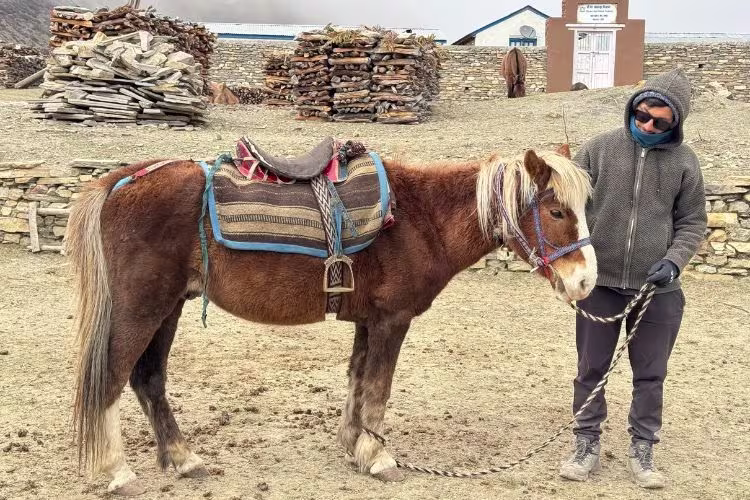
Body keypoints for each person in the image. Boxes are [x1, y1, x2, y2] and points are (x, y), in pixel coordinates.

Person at [559, 68, 708, 489]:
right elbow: (567, 208)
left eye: (660, 123)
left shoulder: (685, 162)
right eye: (642, 115)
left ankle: (643, 447)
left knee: (650, 372)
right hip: (600, 284)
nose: (646, 126)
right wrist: (576, 264)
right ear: (634, 106)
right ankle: (585, 442)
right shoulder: (598, 149)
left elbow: (693, 221)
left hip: (658, 288)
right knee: (591, 367)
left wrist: (675, 261)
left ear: (676, 124)